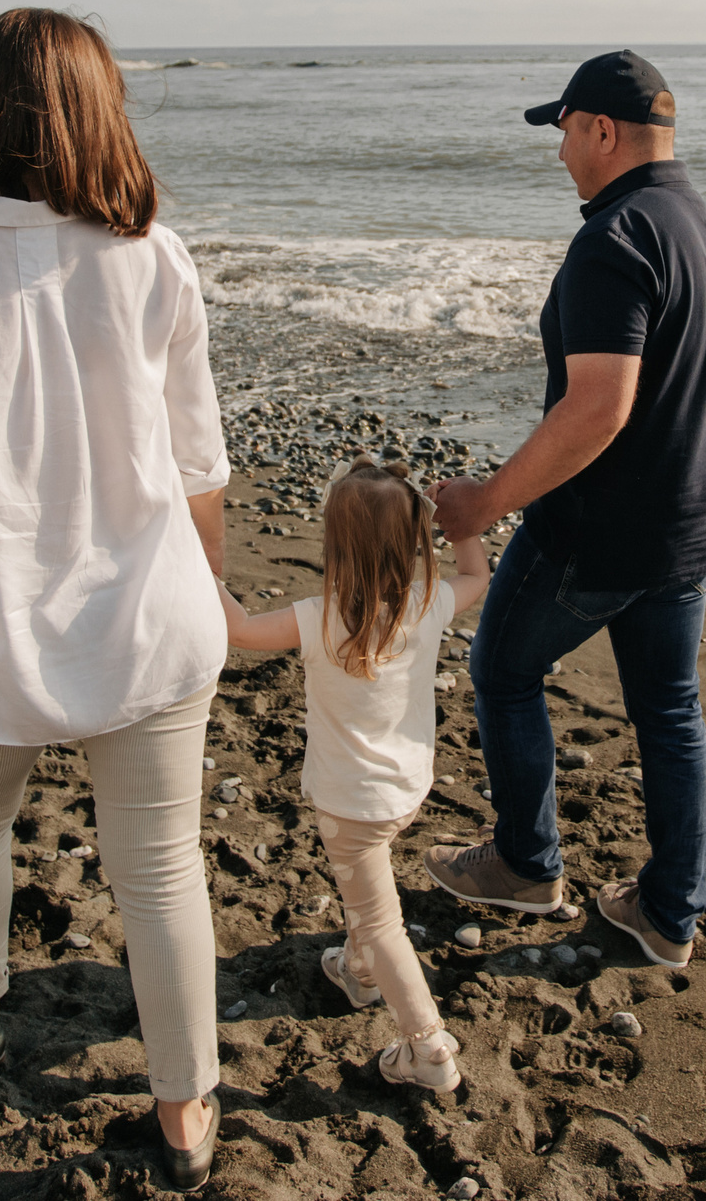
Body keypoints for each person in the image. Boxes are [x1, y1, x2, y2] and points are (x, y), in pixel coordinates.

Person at [0, 8, 231, 1190]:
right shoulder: (155, 257)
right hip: (153, 613)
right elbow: (201, 467)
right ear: (99, 112)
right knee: (160, 866)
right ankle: (185, 1110)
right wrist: (211, 598)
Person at [427, 50, 706, 970]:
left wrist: (483, 503)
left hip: (596, 535)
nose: (560, 150)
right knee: (670, 713)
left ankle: (527, 865)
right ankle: (669, 913)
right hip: (688, 523)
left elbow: (598, 407)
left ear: (603, 129)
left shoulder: (615, 237)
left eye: (565, 130)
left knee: (503, 669)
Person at [219, 457, 492, 1093]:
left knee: (380, 919)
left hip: (350, 805)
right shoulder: (428, 604)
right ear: (413, 540)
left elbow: (239, 631)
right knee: (366, 895)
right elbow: (477, 573)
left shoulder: (319, 617)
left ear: (336, 544)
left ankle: (427, 1045)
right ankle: (360, 972)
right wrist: (461, 523)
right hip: (407, 790)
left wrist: (206, 571)